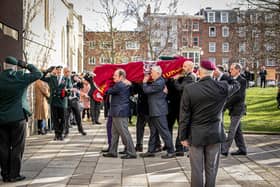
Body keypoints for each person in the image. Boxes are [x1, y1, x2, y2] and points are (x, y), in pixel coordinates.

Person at [179, 60, 240, 187]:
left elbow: (184, 115)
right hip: (214, 133)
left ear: (199, 72)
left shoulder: (190, 89)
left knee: (196, 169)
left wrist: (183, 136)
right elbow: (236, 83)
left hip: (195, 134)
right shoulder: (222, 86)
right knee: (211, 168)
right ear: (213, 73)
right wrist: (222, 74)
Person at [0, 56, 42, 182]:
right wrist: (25, 64)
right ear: (15, 67)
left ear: (3, 65)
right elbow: (38, 74)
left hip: (1, 119)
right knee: (17, 146)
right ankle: (14, 174)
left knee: (2, 146)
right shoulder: (20, 78)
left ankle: (5, 174)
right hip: (18, 117)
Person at [141, 65, 175, 159]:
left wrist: (144, 82)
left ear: (158, 73)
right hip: (155, 110)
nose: (150, 74)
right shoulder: (157, 81)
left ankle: (171, 151)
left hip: (159, 111)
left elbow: (147, 90)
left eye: (152, 72)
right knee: (153, 132)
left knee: (164, 131)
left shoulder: (159, 82)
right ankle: (150, 150)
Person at [103, 69, 137, 159]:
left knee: (124, 133)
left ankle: (132, 152)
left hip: (120, 112)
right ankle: (113, 151)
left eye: (115, 75)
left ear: (121, 77)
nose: (113, 77)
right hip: (116, 112)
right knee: (114, 133)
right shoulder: (123, 84)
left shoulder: (120, 85)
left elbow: (108, 91)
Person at [169, 60, 196, 156]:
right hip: (182, 104)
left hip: (185, 105)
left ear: (189, 67)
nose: (182, 68)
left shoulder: (190, 77)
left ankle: (180, 147)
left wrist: (175, 79)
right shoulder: (187, 76)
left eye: (184, 66)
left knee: (182, 126)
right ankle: (181, 147)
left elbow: (180, 88)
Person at [221, 63, 247, 156]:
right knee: (237, 130)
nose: (230, 70)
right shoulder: (231, 80)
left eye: (232, 69)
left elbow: (239, 96)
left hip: (238, 109)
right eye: (230, 69)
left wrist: (225, 104)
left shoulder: (242, 80)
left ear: (238, 70)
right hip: (233, 109)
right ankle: (242, 149)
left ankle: (224, 149)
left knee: (232, 130)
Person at [41, 66, 72, 141]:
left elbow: (70, 89)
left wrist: (67, 92)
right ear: (56, 71)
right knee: (55, 119)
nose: (59, 72)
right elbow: (41, 78)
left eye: (60, 70)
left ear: (62, 72)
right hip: (54, 101)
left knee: (63, 119)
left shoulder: (67, 79)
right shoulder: (52, 78)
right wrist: (46, 71)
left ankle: (61, 134)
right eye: (57, 70)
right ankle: (56, 134)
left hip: (63, 102)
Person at [65, 70, 87, 136]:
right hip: (68, 100)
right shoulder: (67, 80)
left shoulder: (77, 81)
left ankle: (81, 130)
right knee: (66, 117)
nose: (74, 76)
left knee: (78, 116)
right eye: (72, 75)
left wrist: (80, 80)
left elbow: (82, 86)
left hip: (75, 100)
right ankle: (66, 131)